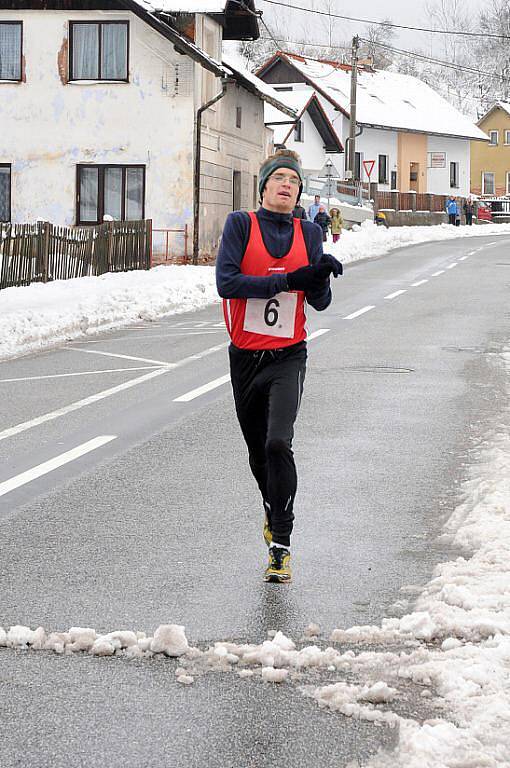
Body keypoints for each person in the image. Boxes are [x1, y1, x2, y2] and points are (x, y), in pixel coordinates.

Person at [216, 149, 342, 583]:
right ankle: (272, 511)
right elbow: (227, 282)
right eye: (279, 178)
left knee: (277, 444)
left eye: (294, 180)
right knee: (257, 456)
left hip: (289, 355)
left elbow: (319, 302)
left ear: (300, 192)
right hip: (246, 358)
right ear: (264, 187)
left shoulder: (309, 232)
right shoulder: (240, 225)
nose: (287, 185)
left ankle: (281, 545)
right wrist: (288, 279)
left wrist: (320, 275)